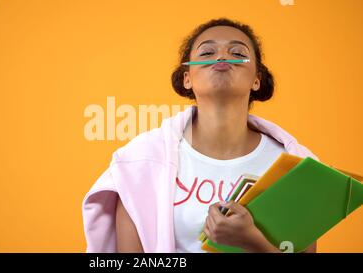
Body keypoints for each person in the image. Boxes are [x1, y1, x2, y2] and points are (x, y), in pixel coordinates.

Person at [82, 18, 318, 253]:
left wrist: (252, 241)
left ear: (256, 79)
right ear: (187, 78)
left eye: (237, 52)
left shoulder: (295, 165)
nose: (222, 56)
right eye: (207, 52)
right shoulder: (140, 163)